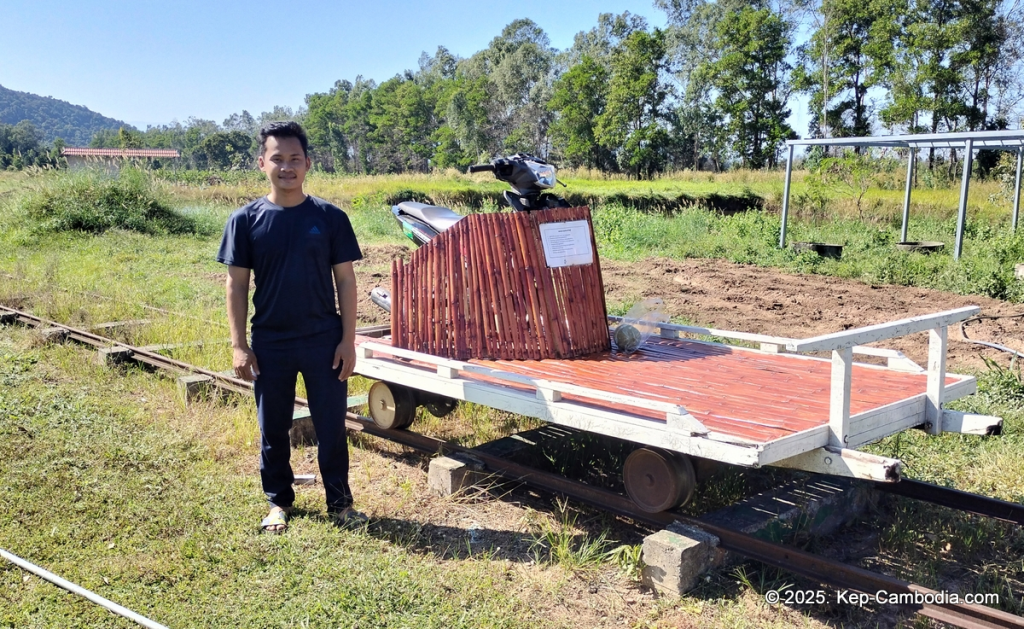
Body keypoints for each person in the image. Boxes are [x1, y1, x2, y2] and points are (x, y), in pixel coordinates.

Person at [216, 121, 366, 533]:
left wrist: (347, 341)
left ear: (308, 164)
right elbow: (236, 284)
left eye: (294, 159)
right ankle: (278, 503)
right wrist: (239, 345)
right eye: (277, 159)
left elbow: (347, 281)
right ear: (262, 162)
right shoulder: (245, 221)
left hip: (323, 341)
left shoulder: (330, 218)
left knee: (332, 426)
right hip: (271, 343)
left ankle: (340, 504)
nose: (287, 167)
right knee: (273, 427)